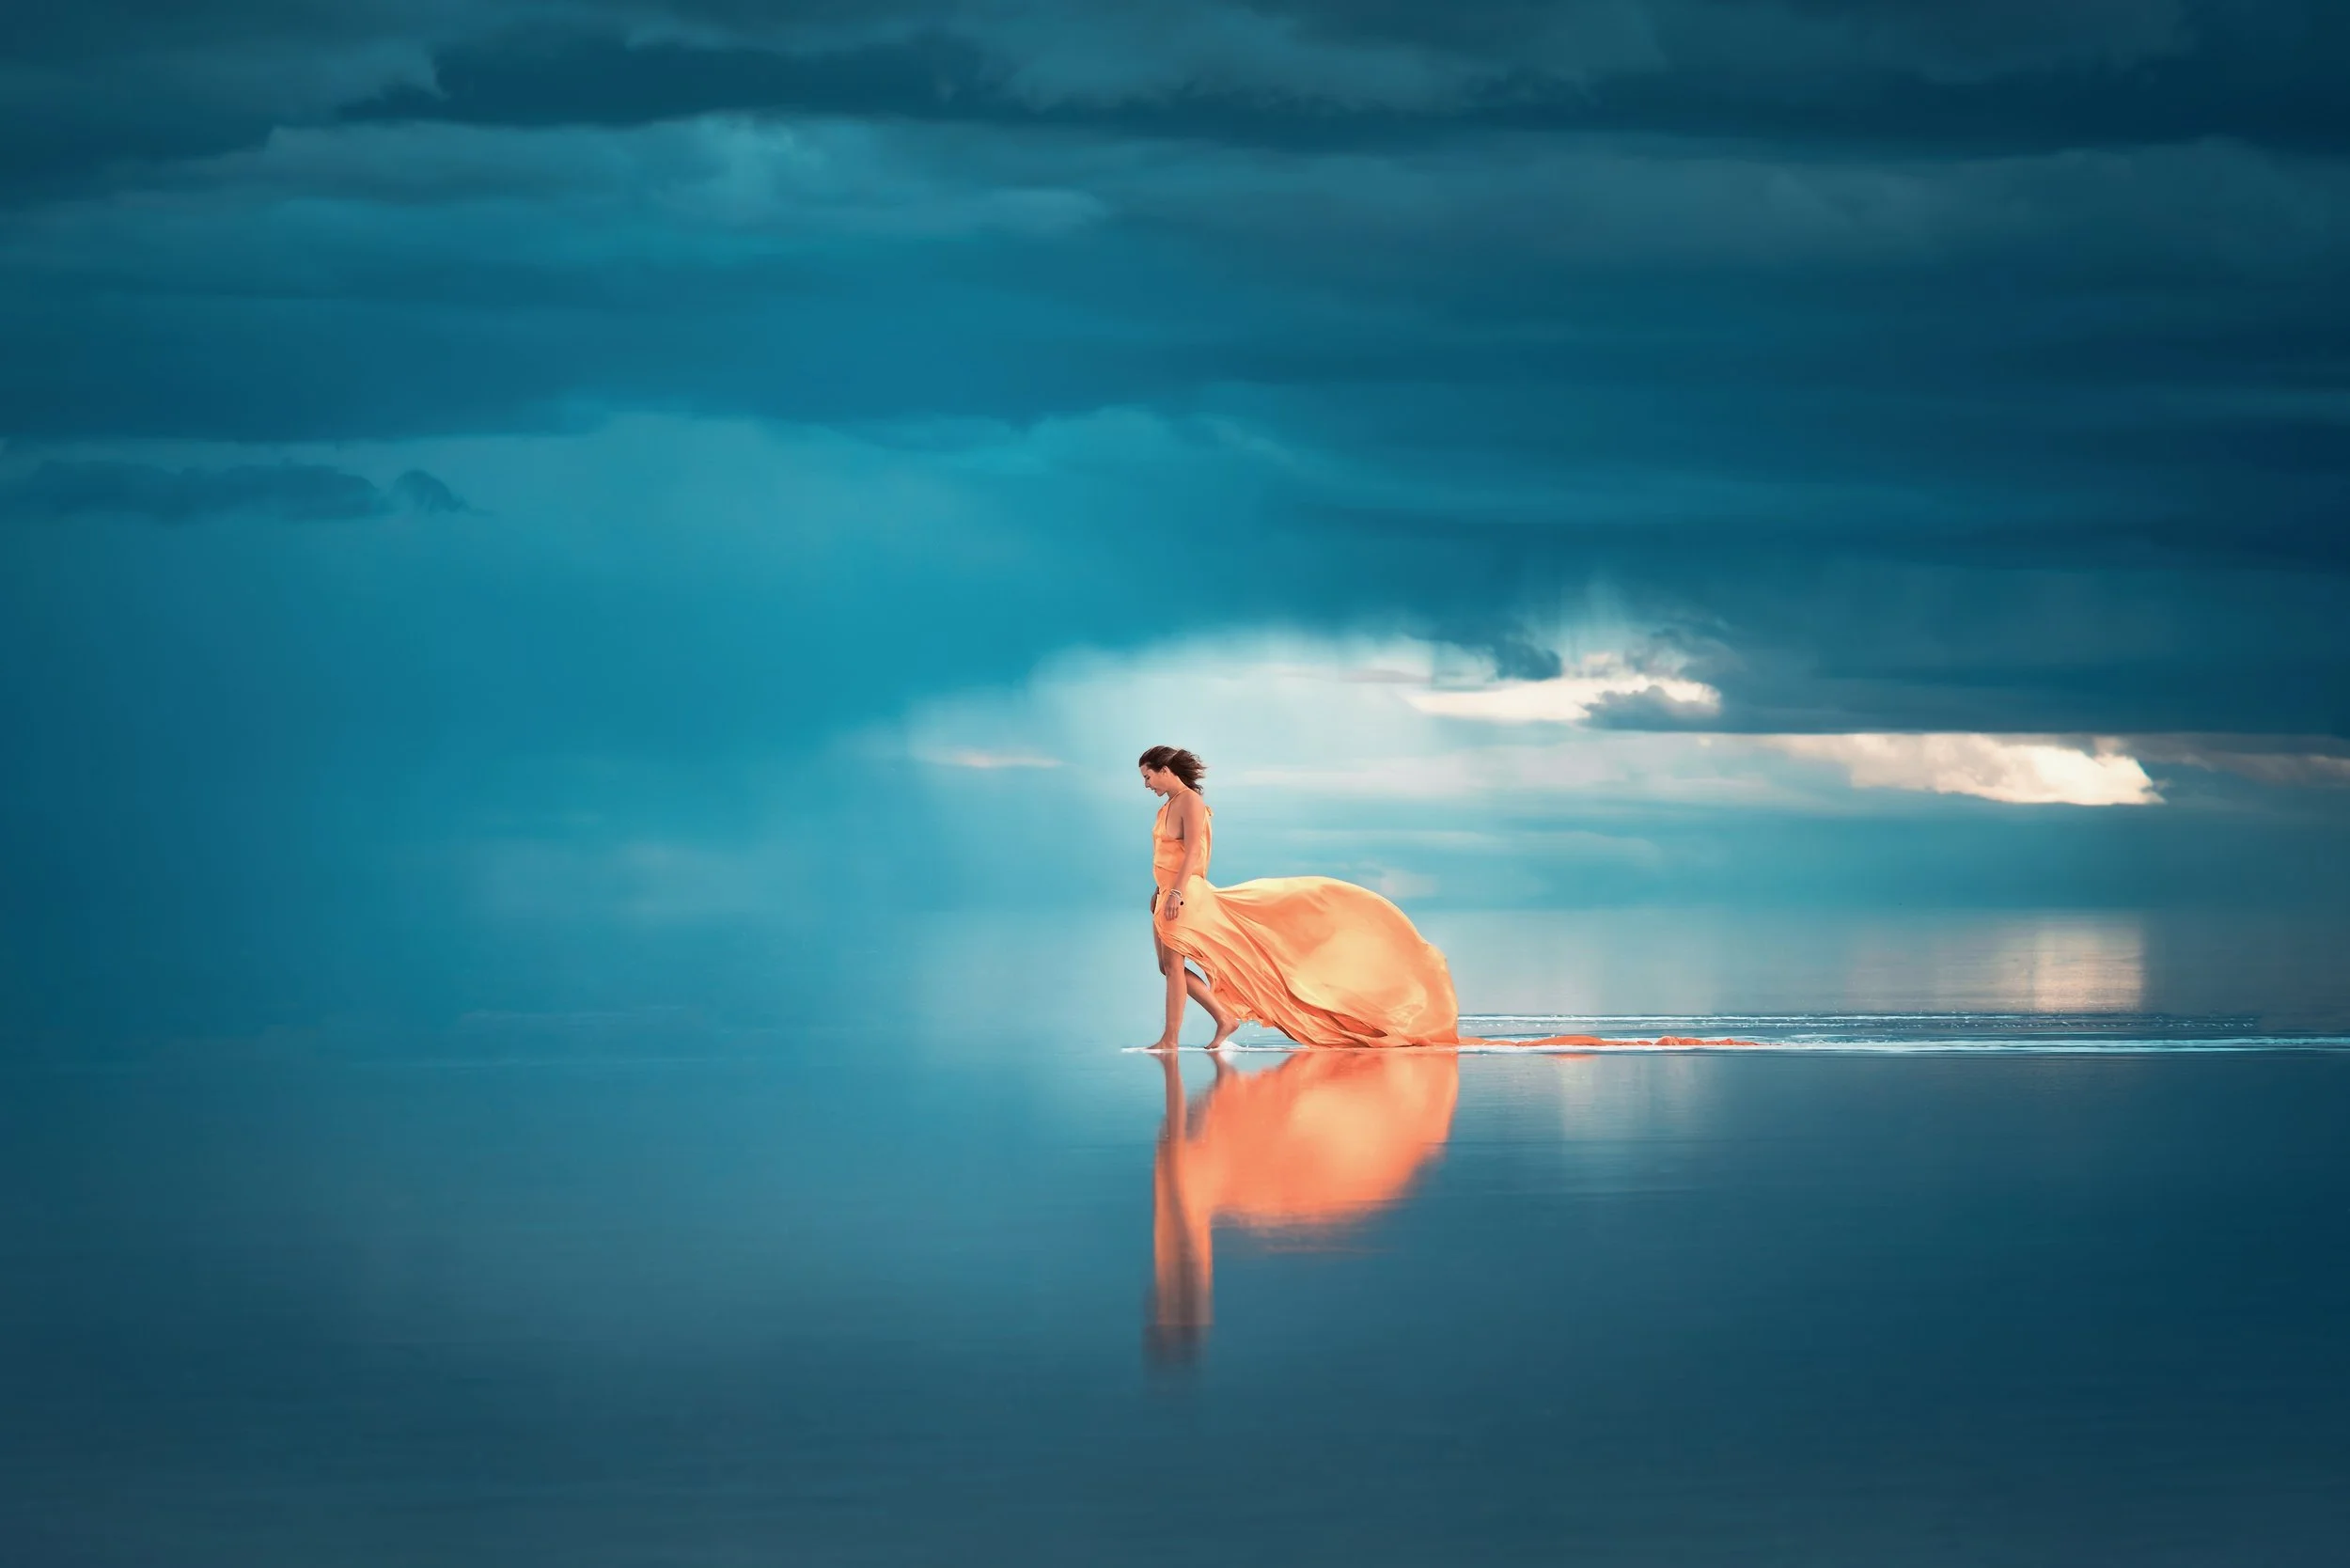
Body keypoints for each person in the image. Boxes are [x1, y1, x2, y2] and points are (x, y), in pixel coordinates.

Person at [1139, 743, 1752, 1051]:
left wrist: (1175, 895)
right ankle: (1221, 1015)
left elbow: (1193, 854)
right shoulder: (1169, 804)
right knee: (1168, 964)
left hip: (1187, 893)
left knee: (1178, 963)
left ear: (1167, 770)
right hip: (1169, 892)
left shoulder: (1188, 803)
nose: (1144, 783)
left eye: (1148, 773)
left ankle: (1172, 1037)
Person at [1148, 1045, 1458, 1362]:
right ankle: (1186, 1312)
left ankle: (1186, 1312)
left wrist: (1170, 1036)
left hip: (1196, 1191)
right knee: (1186, 1201)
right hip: (1195, 1202)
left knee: (1185, 1194)